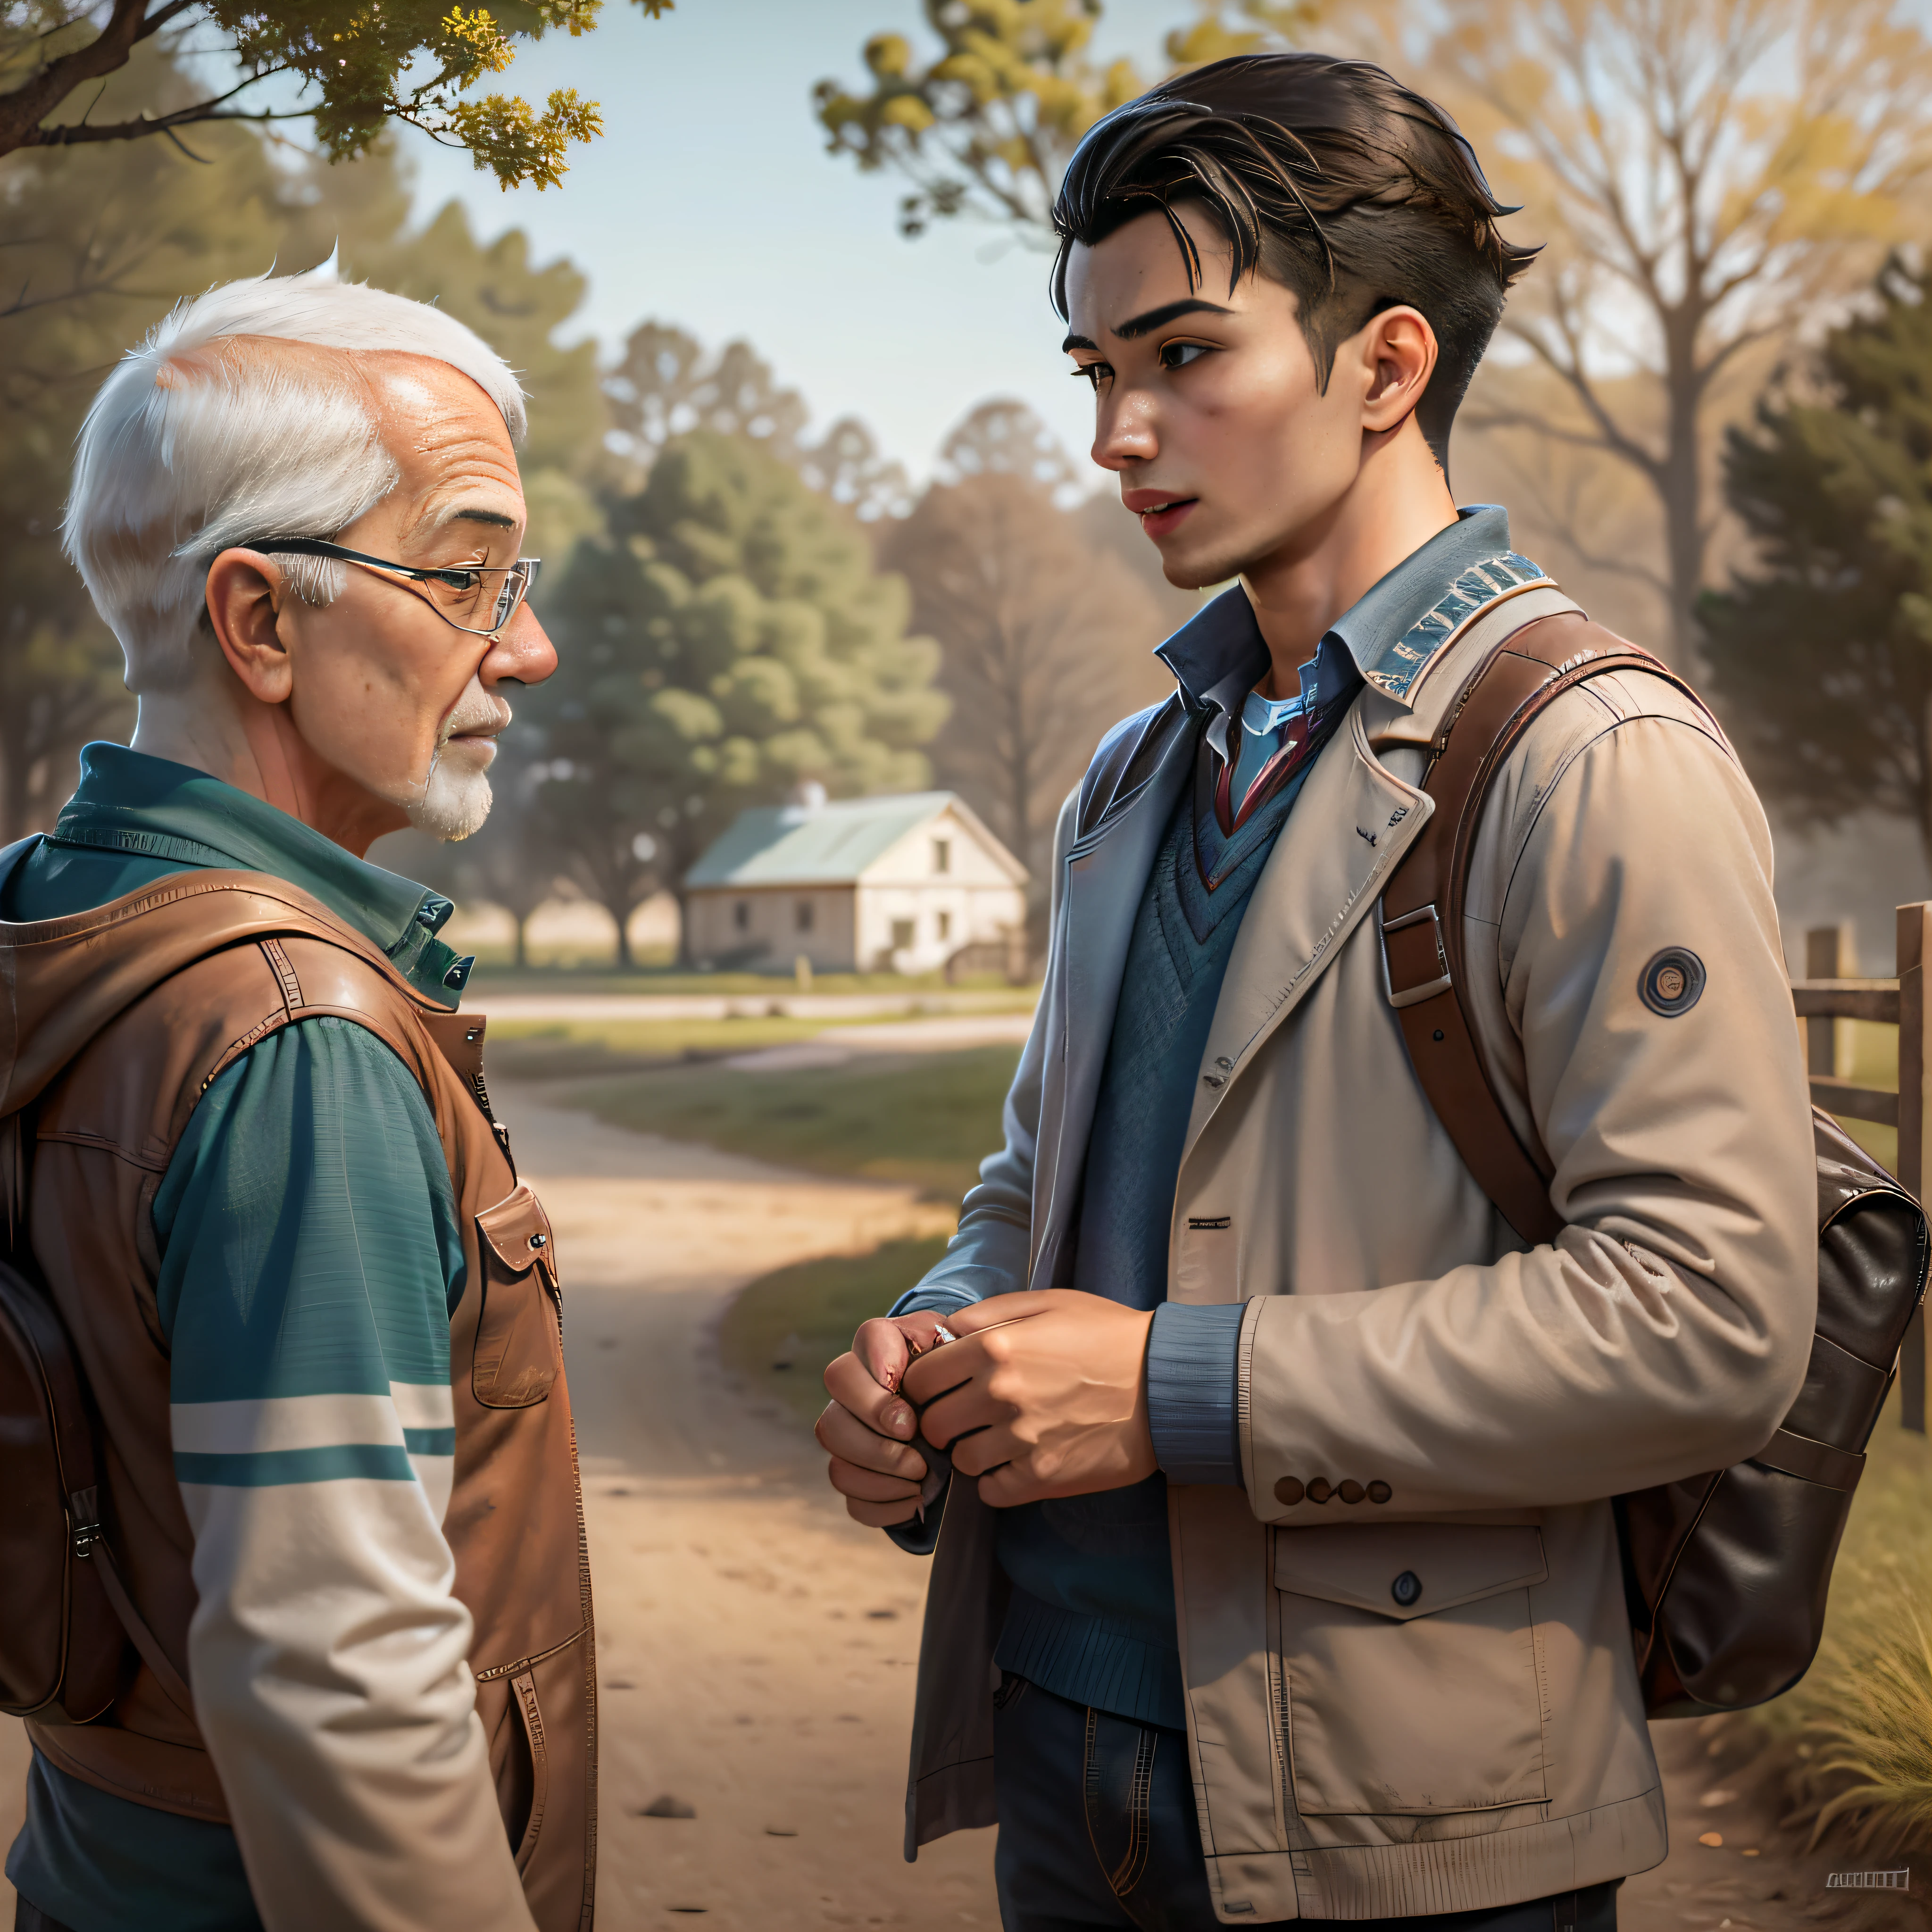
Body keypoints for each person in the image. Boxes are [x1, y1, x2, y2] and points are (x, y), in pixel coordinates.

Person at [816, 52, 1815, 1932]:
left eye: (1183, 354)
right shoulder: (1128, 775)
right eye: (1097, 371)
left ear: (1384, 365)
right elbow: (1032, 1188)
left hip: (1404, 1807)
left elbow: (1708, 1316)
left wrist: (1170, 1387)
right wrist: (928, 1352)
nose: (1119, 431)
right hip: (1060, 1740)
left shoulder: (1590, 755)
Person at [3, 270, 595, 1932]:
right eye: (469, 572)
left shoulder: (42, 923)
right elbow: (339, 1679)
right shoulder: (293, 1041)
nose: (526, 649)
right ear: (259, 621)